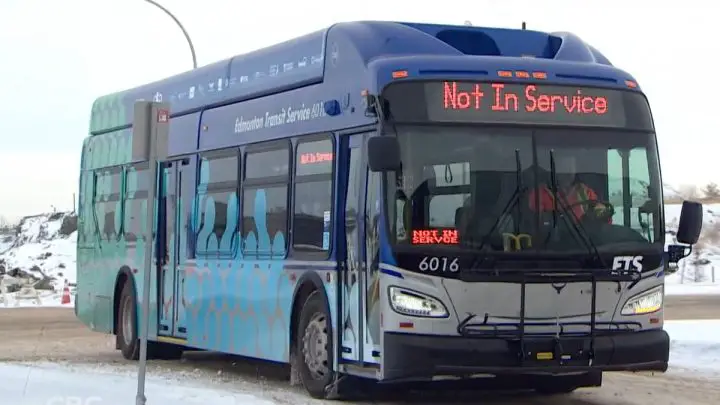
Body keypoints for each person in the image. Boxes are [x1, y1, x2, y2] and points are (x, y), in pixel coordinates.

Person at [527, 154, 609, 222]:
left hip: (583, 240)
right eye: (564, 168)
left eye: (571, 168)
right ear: (554, 170)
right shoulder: (539, 195)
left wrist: (603, 214)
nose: (568, 173)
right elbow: (536, 227)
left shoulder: (585, 193)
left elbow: (604, 221)